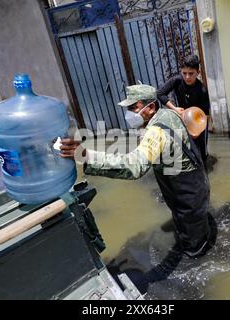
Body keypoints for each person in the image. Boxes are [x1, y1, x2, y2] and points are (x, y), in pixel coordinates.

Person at [60, 84, 216, 260]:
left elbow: (134, 167)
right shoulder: (168, 113)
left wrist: (86, 155)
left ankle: (200, 257)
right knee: (192, 223)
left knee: (195, 245)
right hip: (195, 181)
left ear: (150, 108)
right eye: (128, 108)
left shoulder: (155, 133)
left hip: (187, 191)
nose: (129, 113)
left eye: (134, 107)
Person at [157, 54, 211, 166]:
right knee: (186, 150)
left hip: (198, 122)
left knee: (201, 153)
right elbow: (160, 93)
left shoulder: (202, 90)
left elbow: (206, 115)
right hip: (182, 119)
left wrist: (198, 131)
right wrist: (174, 108)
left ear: (198, 73)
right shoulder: (177, 80)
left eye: (191, 74)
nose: (187, 77)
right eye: (184, 73)